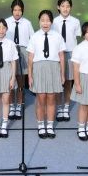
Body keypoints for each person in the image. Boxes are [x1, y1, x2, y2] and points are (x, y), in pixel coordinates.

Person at [28, 10, 66, 139]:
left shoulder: (57, 36)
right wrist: (30, 75)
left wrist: (62, 74)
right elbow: (30, 57)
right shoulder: (34, 36)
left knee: (51, 98)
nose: (45, 23)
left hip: (53, 68)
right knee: (41, 99)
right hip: (39, 68)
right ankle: (40, 125)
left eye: (48, 20)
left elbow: (61, 56)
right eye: (42, 20)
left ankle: (49, 125)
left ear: (51, 22)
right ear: (39, 21)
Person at [4, 0, 33, 120]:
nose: (17, 12)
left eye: (19, 10)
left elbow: (32, 39)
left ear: (23, 11)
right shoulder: (6, 22)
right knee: (10, 80)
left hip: (23, 51)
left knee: (21, 81)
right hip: (10, 51)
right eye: (15, 10)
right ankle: (11, 105)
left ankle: (19, 105)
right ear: (12, 10)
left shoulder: (27, 23)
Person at [55, 0, 81, 122]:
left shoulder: (75, 22)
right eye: (63, 6)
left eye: (68, 6)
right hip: (57, 54)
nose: (65, 9)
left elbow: (77, 38)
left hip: (70, 54)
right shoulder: (53, 22)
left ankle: (66, 107)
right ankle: (59, 107)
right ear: (58, 7)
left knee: (68, 83)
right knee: (59, 81)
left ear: (70, 8)